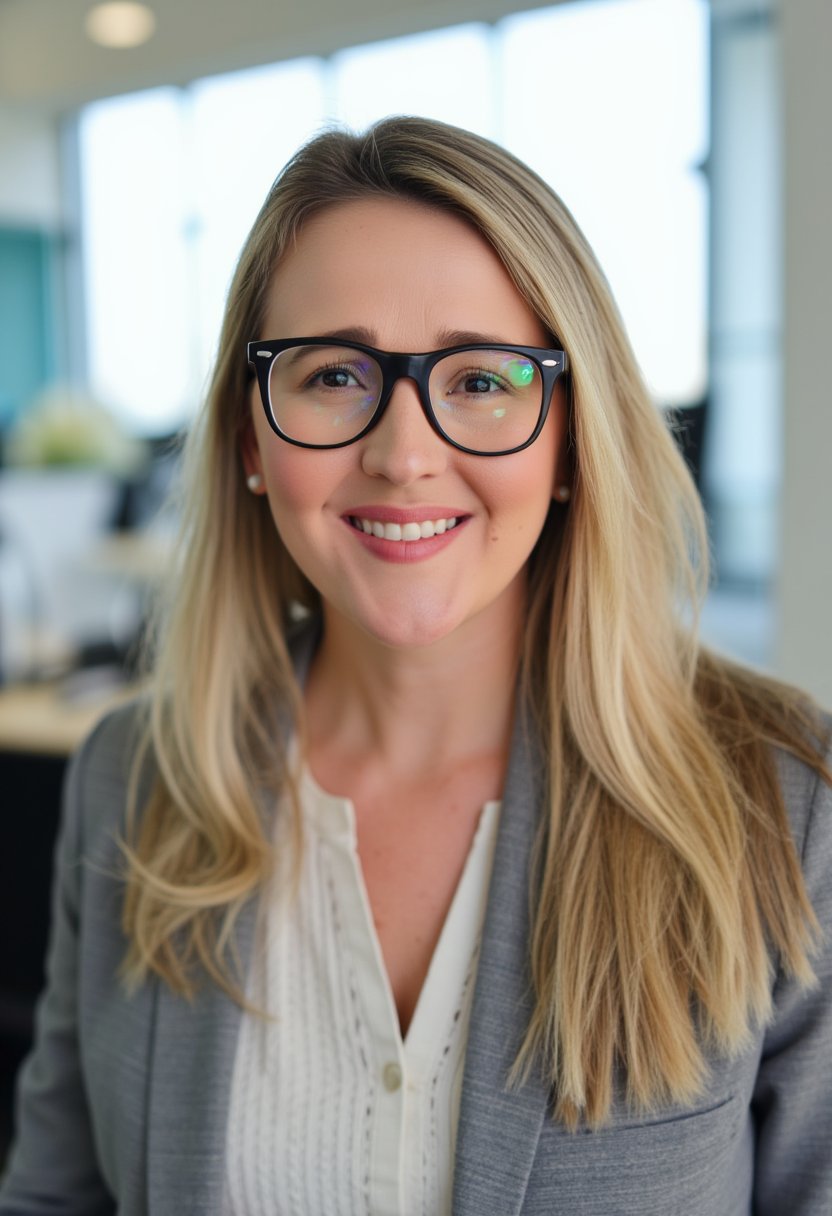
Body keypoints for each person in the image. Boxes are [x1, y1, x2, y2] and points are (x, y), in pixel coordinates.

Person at [1, 116, 830, 1216]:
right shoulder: (132, 777)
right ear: (251, 440)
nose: (402, 454)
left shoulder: (782, 797)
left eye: (482, 380)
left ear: (570, 437)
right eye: (334, 374)